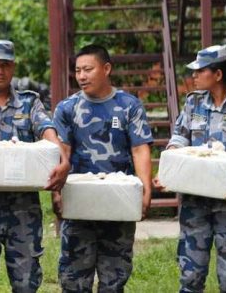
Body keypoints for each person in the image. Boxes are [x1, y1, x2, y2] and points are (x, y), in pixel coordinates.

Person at [0, 40, 68, 293]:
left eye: (5, 65)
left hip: (23, 209)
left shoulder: (30, 102)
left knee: (26, 281)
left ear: (13, 66)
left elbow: (47, 130)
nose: (0, 71)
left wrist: (64, 160)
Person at [152, 45, 226, 292]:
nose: (193, 75)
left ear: (218, 74)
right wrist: (166, 172)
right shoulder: (193, 103)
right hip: (195, 202)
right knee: (190, 275)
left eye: (199, 70)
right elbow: (179, 138)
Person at [52, 44, 153, 292]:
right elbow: (61, 152)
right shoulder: (67, 108)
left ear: (106, 69)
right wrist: (56, 191)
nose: (82, 76)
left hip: (118, 202)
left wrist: (146, 189)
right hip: (79, 202)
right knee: (74, 278)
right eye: (78, 70)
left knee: (114, 278)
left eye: (88, 69)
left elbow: (140, 149)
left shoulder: (129, 105)